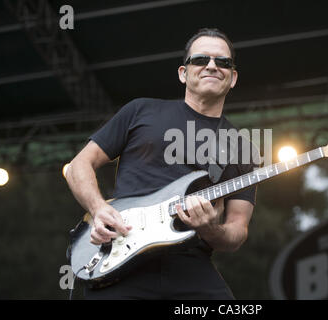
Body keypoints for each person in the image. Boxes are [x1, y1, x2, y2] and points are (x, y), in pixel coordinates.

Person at [65, 28, 257, 299]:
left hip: (189, 264)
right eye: (201, 59)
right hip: (120, 255)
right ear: (183, 73)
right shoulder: (141, 110)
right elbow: (78, 165)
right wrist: (98, 209)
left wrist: (208, 228)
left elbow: (238, 229)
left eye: (223, 62)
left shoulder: (241, 147)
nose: (212, 66)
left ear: (233, 77)